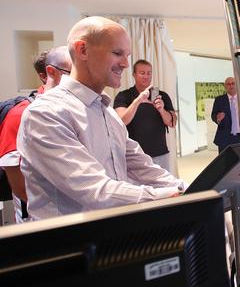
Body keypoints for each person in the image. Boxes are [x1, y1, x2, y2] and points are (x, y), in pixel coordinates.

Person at [17, 16, 185, 220]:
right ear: (83, 50)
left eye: (127, 55)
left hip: (109, 235)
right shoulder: (47, 114)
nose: (124, 63)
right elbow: (95, 190)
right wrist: (169, 195)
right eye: (117, 53)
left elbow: (141, 167)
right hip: (69, 244)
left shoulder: (107, 113)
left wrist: (186, 187)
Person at [0, 46, 71, 223]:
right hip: (39, 219)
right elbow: (19, 186)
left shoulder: (72, 110)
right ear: (46, 74)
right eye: (70, 72)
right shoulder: (20, 114)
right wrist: (54, 214)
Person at [114, 59, 177, 172]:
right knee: (138, 189)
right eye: (142, 73)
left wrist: (162, 110)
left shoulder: (161, 95)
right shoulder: (124, 96)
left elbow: (172, 123)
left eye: (149, 73)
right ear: (134, 74)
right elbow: (122, 121)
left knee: (166, 188)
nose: (146, 76)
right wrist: (138, 101)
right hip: (135, 156)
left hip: (160, 153)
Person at [211, 76, 240, 152]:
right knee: (225, 162)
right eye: (228, 84)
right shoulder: (219, 100)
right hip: (224, 137)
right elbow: (213, 115)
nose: (231, 86)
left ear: (236, 85)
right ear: (225, 86)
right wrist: (218, 118)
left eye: (233, 83)